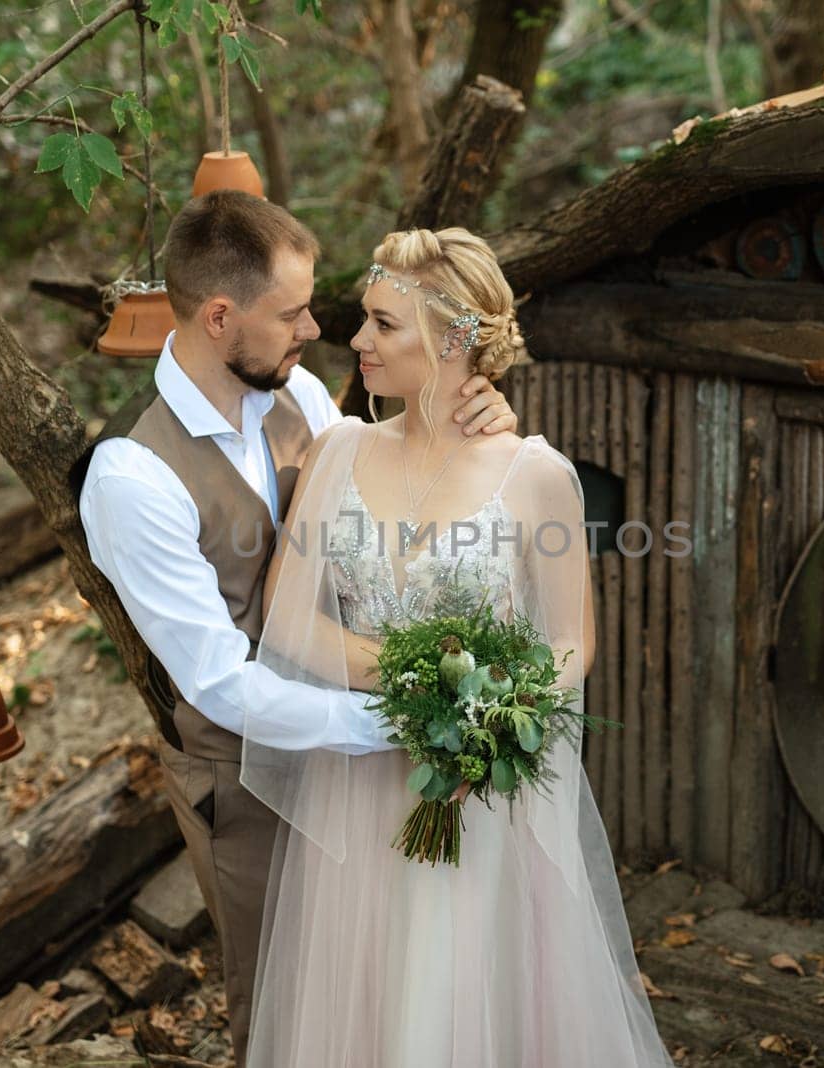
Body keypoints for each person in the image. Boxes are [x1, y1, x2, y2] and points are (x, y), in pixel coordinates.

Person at [74, 192, 517, 1067]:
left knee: (374, 982)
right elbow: (219, 682)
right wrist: (405, 724)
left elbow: (397, 493)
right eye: (290, 313)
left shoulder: (300, 394)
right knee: (281, 1004)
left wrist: (479, 419)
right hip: (242, 780)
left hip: (358, 756)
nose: (315, 328)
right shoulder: (133, 479)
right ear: (217, 316)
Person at [240, 227, 673, 1066]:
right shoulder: (339, 451)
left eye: (382, 324)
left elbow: (571, 642)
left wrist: (486, 706)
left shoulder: (535, 473)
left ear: (455, 340)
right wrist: (422, 686)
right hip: (357, 783)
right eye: (363, 319)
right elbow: (287, 619)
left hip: (475, 796)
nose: (358, 340)